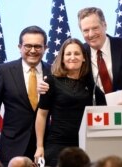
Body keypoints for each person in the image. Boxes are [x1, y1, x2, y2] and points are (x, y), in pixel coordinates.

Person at [38, 7, 122, 105]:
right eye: (86, 30)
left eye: (95, 28)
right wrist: (45, 85)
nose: (91, 34)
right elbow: (61, 75)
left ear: (105, 25)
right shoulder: (80, 52)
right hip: (97, 122)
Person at [0, 25, 51, 167]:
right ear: (19, 47)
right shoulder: (4, 71)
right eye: (28, 46)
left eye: (38, 46)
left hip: (45, 147)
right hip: (12, 146)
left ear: (46, 48)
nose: (33, 51)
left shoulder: (53, 72)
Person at [34, 38, 92, 167]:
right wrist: (39, 146)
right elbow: (42, 114)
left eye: (77, 53)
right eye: (68, 54)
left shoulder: (91, 84)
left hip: (84, 144)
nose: (72, 57)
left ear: (84, 58)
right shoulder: (50, 81)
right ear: (62, 58)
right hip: (57, 145)